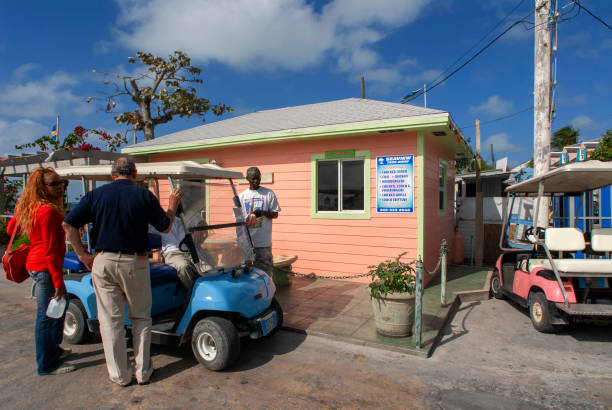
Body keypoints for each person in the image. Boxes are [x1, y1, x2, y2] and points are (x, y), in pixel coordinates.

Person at [63, 157, 182, 387]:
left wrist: (82, 255)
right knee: (141, 318)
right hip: (134, 262)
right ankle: (143, 372)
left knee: (110, 321)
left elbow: (68, 224)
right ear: (135, 174)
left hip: (103, 260)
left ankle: (120, 375)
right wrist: (172, 206)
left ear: (112, 175)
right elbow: (165, 226)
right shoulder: (143, 195)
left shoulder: (96, 195)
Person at [7, 167, 75, 375]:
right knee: (47, 315)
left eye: (61, 182)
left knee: (58, 308)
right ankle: (47, 364)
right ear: (42, 188)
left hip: (37, 264)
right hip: (44, 266)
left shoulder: (33, 208)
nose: (60, 187)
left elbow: (11, 229)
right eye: (54, 184)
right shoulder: (47, 211)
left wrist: (24, 210)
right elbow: (50, 251)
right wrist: (58, 282)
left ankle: (53, 351)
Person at [239, 167, 281, 276]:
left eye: (258, 178)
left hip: (263, 241)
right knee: (246, 271)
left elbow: (275, 214)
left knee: (265, 271)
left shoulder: (269, 194)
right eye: (253, 179)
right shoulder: (242, 196)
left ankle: (267, 292)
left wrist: (262, 213)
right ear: (247, 179)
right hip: (246, 242)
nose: (256, 181)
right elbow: (238, 219)